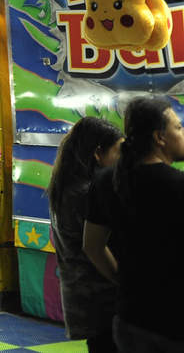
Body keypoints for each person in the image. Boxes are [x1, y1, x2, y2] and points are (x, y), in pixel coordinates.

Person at [83, 97, 184, 351]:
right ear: (159, 137)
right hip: (174, 323)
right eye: (179, 128)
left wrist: (122, 279)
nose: (183, 134)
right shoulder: (177, 185)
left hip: (130, 318)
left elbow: (92, 246)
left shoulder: (106, 181)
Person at [46, 116, 122, 352]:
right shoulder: (88, 194)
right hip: (103, 298)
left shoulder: (67, 187)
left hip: (84, 299)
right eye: (119, 151)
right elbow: (97, 246)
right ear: (98, 153)